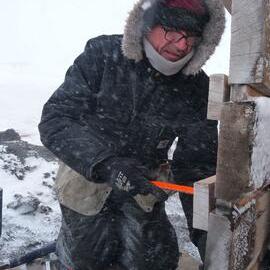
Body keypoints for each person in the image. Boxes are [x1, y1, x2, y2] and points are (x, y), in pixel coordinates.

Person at [39, 0, 225, 269]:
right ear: (147, 24)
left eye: (192, 37)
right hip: (85, 177)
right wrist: (106, 164)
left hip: (145, 186)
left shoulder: (197, 88)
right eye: (172, 31)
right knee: (86, 259)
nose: (183, 45)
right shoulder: (102, 55)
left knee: (155, 261)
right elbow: (56, 119)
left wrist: (208, 238)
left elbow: (196, 167)